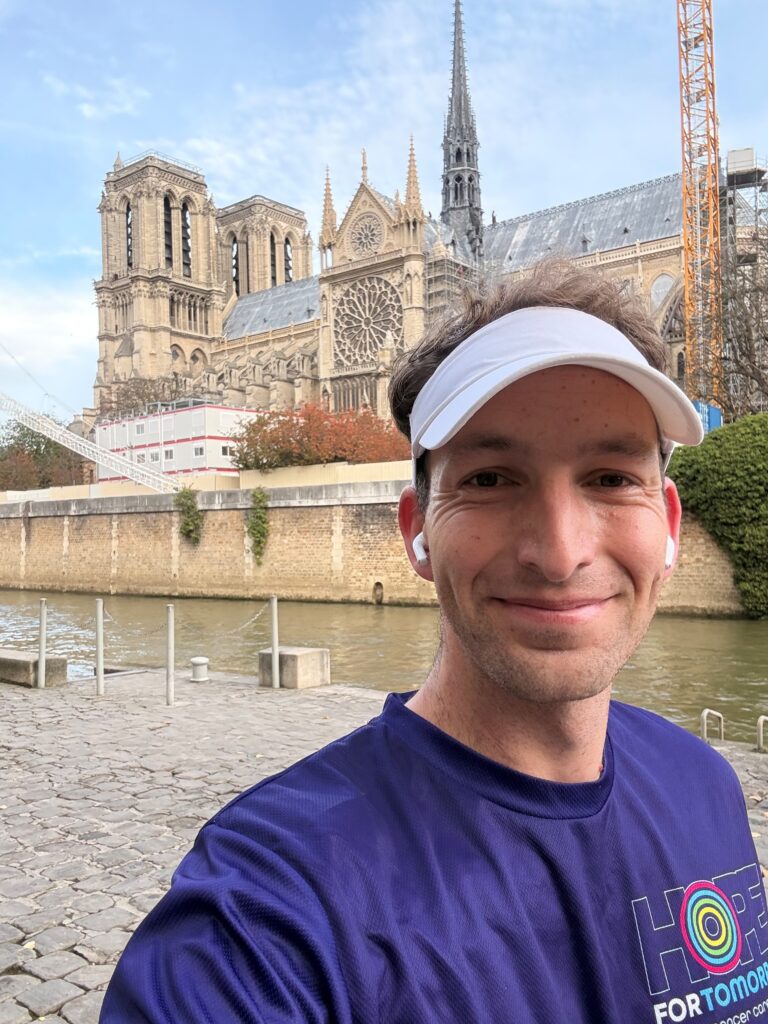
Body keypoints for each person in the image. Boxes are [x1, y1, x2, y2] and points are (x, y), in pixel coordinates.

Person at [101, 263, 766, 1024]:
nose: (560, 553)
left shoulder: (706, 787)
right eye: (490, 480)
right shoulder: (267, 913)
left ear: (670, 525)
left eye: (612, 478)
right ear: (417, 530)